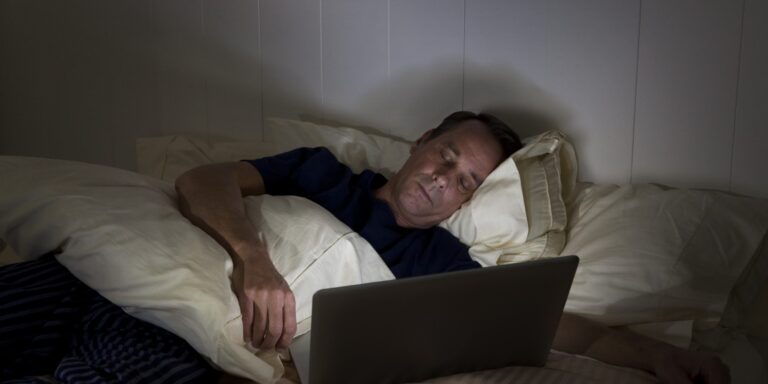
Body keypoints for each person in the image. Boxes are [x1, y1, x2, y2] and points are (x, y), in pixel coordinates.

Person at [175, 111, 731, 384]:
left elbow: (560, 328)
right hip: (201, 323)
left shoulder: (443, 263)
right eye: (446, 154)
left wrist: (659, 356)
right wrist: (253, 257)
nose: (445, 178)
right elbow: (204, 181)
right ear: (420, 143)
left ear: (467, 203)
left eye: (466, 180)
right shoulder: (324, 175)